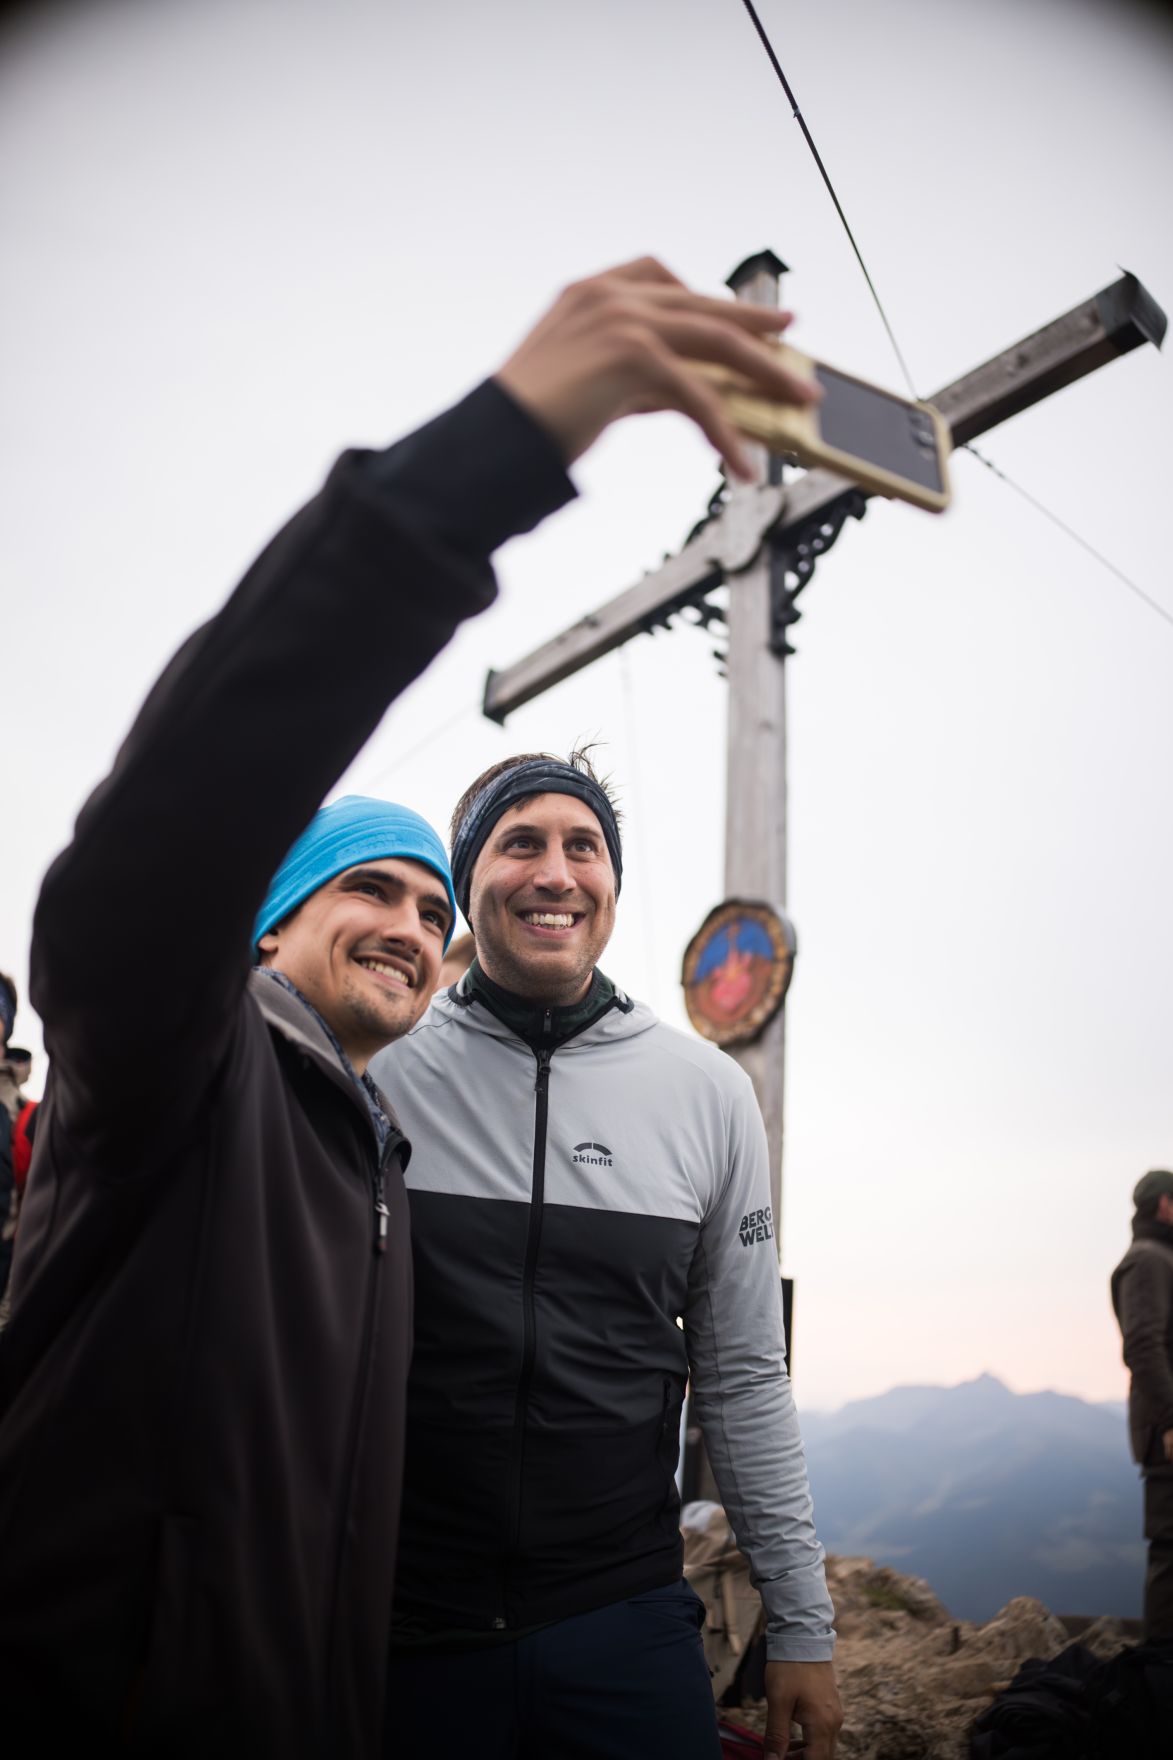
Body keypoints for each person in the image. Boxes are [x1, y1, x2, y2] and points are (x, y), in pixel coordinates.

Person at [0, 258, 818, 1758]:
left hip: (443, 1663)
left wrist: (787, 1622)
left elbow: (738, 1367)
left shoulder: (365, 1137)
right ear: (256, 920)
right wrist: (489, 457)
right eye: (369, 891)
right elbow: (167, 834)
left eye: (425, 910)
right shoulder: (184, 1065)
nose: (412, 924)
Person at [371, 750, 842, 1760]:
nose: (556, 873)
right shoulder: (382, 1064)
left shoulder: (708, 1093)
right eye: (521, 843)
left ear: (613, 883)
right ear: (465, 882)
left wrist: (801, 1621)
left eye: (584, 846)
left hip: (620, 1612)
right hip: (403, 1616)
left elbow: (745, 1374)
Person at [1111, 1168, 1173, 1646]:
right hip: (1168, 1432)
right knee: (1170, 1553)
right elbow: (1143, 1346)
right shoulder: (1149, 1260)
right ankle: (1161, 1678)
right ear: (1165, 1206)